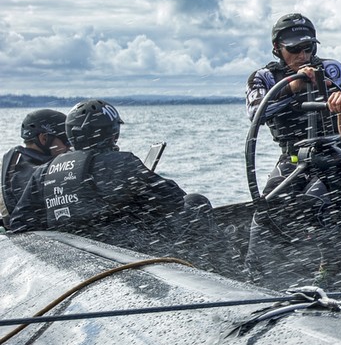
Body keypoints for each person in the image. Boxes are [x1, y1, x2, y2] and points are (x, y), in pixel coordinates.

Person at [244, 12, 341, 289]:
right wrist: (293, 88)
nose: (303, 55)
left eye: (309, 48)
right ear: (277, 49)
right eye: (294, 50)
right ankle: (256, 278)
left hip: (336, 156)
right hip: (293, 158)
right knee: (265, 210)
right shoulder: (264, 77)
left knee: (322, 204)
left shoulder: (333, 70)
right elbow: (256, 112)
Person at [9, 99, 213, 258]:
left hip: (74, 254)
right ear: (113, 133)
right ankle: (216, 270)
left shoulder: (43, 172)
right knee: (196, 202)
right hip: (127, 252)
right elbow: (173, 200)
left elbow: (21, 226)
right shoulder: (121, 162)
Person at [1, 109, 68, 230]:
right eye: (66, 140)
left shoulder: (11, 164)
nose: (69, 147)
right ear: (44, 138)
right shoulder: (44, 172)